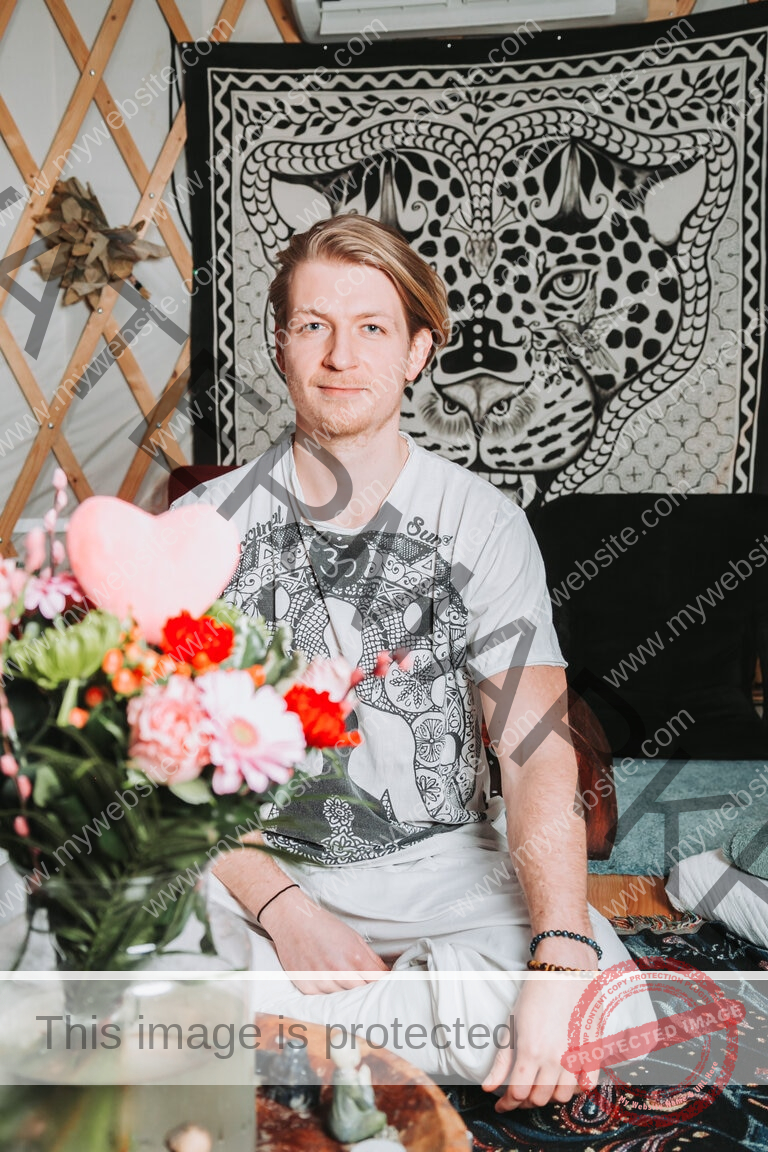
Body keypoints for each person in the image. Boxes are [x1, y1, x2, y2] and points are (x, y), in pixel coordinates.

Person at [171, 214, 646, 1110]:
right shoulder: (202, 533)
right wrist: (286, 911)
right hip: (253, 865)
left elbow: (535, 750)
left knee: (608, 1013)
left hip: (436, 863)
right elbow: (161, 761)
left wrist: (558, 954)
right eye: (314, 325)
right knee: (62, 924)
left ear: (420, 349)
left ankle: (293, 1033)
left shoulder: (483, 524)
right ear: (280, 344)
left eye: (373, 328)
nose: (341, 356)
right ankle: (357, 1009)